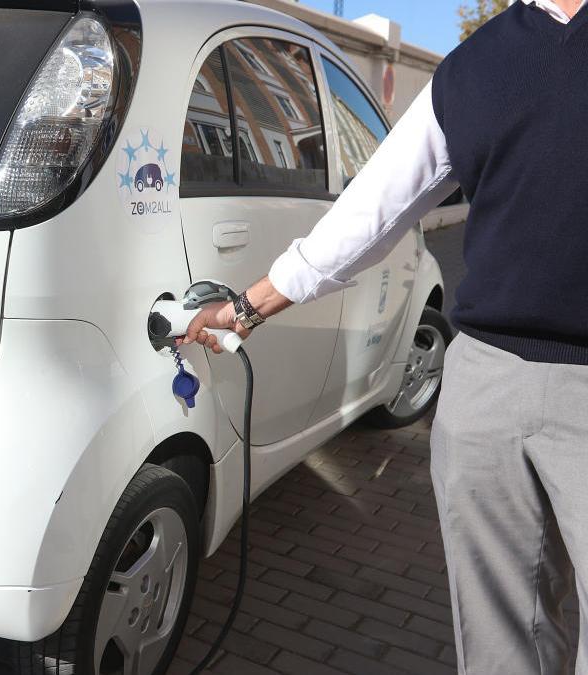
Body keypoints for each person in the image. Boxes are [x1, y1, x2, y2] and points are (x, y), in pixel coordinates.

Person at [183, 0, 588, 672]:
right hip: (485, 391)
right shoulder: (477, 65)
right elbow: (371, 210)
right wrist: (249, 307)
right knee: (497, 643)